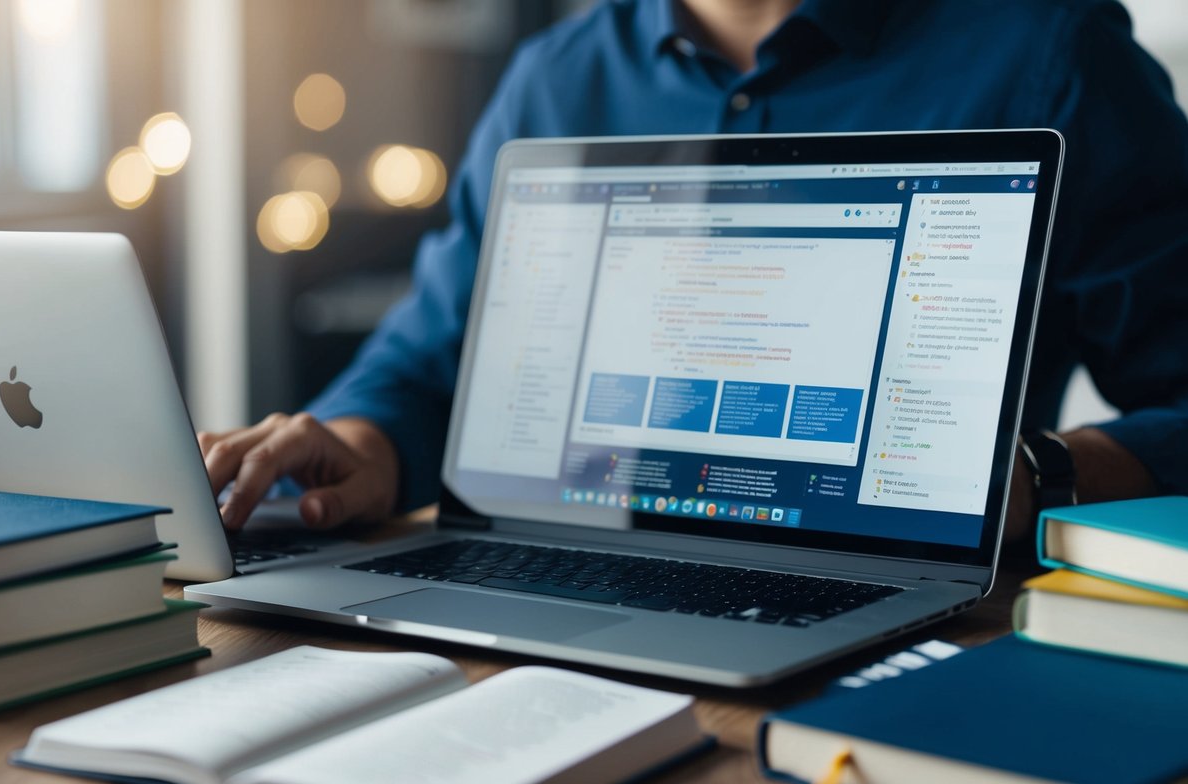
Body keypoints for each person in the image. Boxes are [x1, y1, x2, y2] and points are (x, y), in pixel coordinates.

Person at [199, 0, 1188, 544]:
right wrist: (369, 440)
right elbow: (429, 355)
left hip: (917, 624)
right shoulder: (554, 77)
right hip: (556, 577)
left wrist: (1040, 473)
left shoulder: (1051, 55)